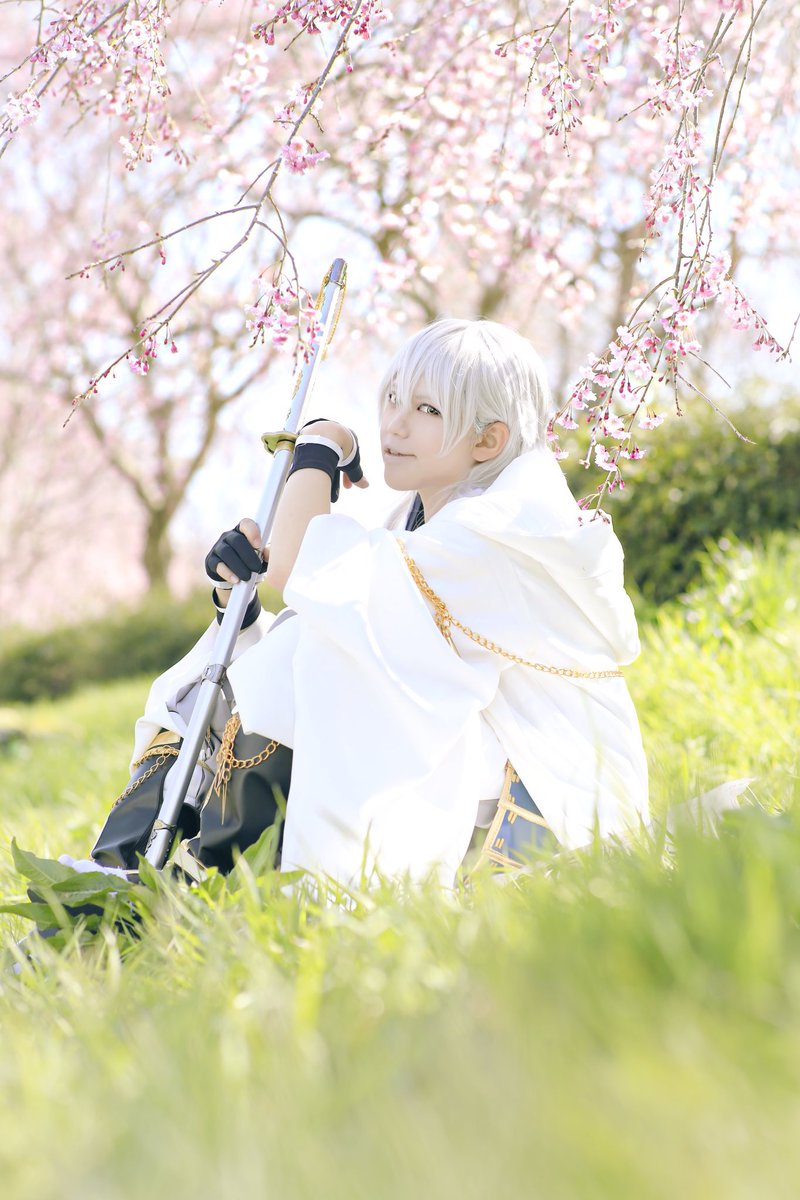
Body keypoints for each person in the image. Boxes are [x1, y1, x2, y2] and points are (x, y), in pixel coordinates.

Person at [87, 318, 648, 889]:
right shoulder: (429, 520)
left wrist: (318, 446)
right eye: (394, 397)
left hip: (550, 795)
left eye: (428, 410)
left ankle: (215, 875)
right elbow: (327, 601)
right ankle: (134, 862)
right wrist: (238, 603)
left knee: (307, 658)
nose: (395, 424)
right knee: (257, 661)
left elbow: (301, 569)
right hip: (489, 757)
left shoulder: (499, 530)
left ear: (487, 441)